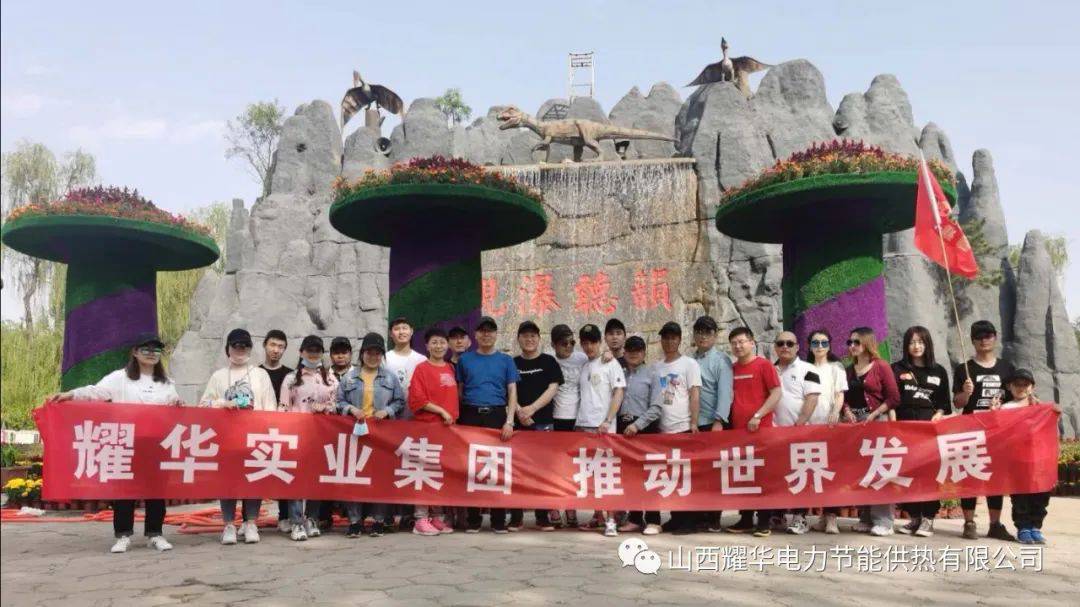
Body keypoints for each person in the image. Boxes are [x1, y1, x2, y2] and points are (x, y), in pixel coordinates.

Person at [48, 333, 182, 553]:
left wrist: (177, 404)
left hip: (157, 443)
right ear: (135, 352)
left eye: (156, 350)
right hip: (127, 442)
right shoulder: (120, 378)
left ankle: (155, 533)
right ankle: (123, 535)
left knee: (156, 491)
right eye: (146, 349)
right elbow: (95, 392)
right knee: (124, 491)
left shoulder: (166, 383)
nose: (151, 353)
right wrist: (71, 394)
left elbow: (173, 405)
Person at [199, 328, 276, 546]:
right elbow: (203, 405)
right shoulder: (218, 376)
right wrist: (222, 404)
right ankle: (229, 525)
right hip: (227, 438)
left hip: (255, 437)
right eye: (236, 346)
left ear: (250, 349)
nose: (240, 350)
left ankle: (251, 522)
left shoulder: (260, 375)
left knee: (254, 479)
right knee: (228, 481)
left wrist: (269, 433)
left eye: (245, 346)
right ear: (228, 349)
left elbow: (270, 406)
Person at [336, 332, 406, 538]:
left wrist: (387, 411)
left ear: (382, 355)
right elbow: (339, 401)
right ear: (362, 354)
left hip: (381, 435)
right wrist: (350, 409)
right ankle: (355, 521)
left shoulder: (390, 377)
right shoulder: (349, 377)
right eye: (369, 352)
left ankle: (378, 520)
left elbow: (400, 402)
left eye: (377, 353)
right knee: (354, 476)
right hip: (355, 434)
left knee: (380, 477)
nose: (373, 357)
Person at [952, 320, 1016, 541]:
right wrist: (966, 393)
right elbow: (957, 403)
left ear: (995, 338)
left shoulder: (1007, 368)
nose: (984, 340)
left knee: (995, 477)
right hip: (971, 431)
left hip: (998, 432)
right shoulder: (964, 369)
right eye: (979, 336)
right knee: (970, 476)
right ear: (972, 341)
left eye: (988, 335)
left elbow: (1015, 399)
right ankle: (969, 523)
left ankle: (995, 524)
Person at [455, 316, 520, 533]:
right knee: (472, 466)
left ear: (496, 334)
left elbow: (512, 391)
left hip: (496, 414)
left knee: (497, 466)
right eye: (482, 331)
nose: (486, 334)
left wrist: (509, 420)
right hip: (470, 414)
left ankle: (498, 519)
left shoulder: (506, 360)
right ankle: (474, 519)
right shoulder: (465, 360)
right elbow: (459, 391)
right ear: (475, 335)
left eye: (490, 330)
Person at [892, 326, 950, 538]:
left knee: (929, 474)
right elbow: (892, 399)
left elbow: (944, 403)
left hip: (930, 431)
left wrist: (939, 414)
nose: (916, 346)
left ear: (927, 344)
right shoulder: (896, 369)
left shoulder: (939, 371)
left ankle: (928, 518)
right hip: (905, 429)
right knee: (908, 473)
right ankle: (914, 517)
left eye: (920, 342)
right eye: (912, 342)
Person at [279, 335, 339, 541]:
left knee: (316, 479)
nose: (313, 354)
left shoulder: (330, 378)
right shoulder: (291, 378)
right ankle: (296, 522)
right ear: (301, 352)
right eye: (309, 350)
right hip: (297, 436)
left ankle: (311, 518)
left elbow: (337, 404)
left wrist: (326, 408)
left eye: (317, 351)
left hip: (321, 436)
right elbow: (283, 407)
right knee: (296, 480)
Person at [723, 326, 781, 537]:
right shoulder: (731, 369)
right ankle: (746, 519)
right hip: (738, 432)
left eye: (741, 341)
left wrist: (758, 415)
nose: (738, 346)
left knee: (762, 476)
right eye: (734, 343)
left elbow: (776, 393)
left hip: (761, 431)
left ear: (751, 342)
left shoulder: (764, 365)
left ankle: (764, 521)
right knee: (744, 475)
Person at [843, 327, 900, 536]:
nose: (852, 346)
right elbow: (842, 396)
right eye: (849, 342)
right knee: (862, 472)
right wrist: (846, 410)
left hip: (877, 422)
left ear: (867, 343)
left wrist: (875, 413)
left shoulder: (881, 366)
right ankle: (866, 518)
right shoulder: (849, 370)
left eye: (856, 342)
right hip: (856, 425)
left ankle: (884, 521)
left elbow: (894, 397)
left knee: (880, 470)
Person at [995, 369, 1062, 545]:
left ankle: (1036, 527)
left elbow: (1052, 429)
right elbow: (998, 430)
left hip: (1040, 460)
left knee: (1041, 494)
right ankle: (1023, 527)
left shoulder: (1041, 408)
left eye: (1025, 384)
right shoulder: (1006, 408)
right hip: (1017, 460)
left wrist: (1054, 411)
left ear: (1032, 387)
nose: (1021, 388)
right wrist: (994, 413)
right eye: (1017, 384)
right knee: (1020, 496)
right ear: (1010, 387)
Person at [508, 320, 564, 531]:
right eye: (525, 336)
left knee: (542, 471)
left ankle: (542, 516)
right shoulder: (512, 363)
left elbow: (553, 388)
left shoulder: (549, 361)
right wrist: (519, 411)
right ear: (518, 339)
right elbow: (509, 390)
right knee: (517, 471)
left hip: (543, 424)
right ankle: (516, 517)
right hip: (518, 425)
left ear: (539, 339)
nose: (529, 339)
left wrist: (531, 409)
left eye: (533, 336)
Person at [407, 327, 460, 536]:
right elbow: (417, 399)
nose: (439, 346)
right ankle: (420, 518)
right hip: (427, 428)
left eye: (442, 342)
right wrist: (441, 411)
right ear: (427, 346)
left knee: (440, 473)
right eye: (434, 342)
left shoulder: (450, 368)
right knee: (424, 471)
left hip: (448, 431)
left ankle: (437, 516)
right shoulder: (421, 369)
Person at [652, 321, 703, 536]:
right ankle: (675, 518)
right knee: (670, 476)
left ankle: (688, 522)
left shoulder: (689, 364)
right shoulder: (657, 367)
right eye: (665, 337)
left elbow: (695, 394)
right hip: (663, 428)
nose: (669, 341)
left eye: (673, 338)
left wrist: (693, 422)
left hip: (683, 425)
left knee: (685, 476)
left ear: (680, 340)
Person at [575, 323, 626, 537]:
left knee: (606, 474)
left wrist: (608, 420)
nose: (589, 347)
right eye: (585, 343)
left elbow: (619, 392)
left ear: (600, 342)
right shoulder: (585, 366)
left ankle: (611, 519)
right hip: (583, 425)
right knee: (591, 475)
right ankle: (598, 516)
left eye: (593, 342)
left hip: (603, 427)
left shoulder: (611, 363)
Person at [771, 331, 822, 536]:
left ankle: (800, 517)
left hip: (800, 432)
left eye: (789, 343)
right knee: (777, 475)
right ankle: (778, 514)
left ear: (798, 347)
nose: (785, 347)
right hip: (773, 433)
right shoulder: (770, 369)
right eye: (781, 343)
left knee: (800, 475)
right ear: (775, 347)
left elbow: (812, 398)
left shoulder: (809, 369)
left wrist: (799, 423)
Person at [804, 329, 848, 534]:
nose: (819, 347)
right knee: (810, 471)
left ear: (830, 345)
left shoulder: (835, 368)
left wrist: (835, 412)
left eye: (824, 342)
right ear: (809, 346)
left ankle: (831, 517)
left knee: (830, 472)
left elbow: (839, 394)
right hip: (807, 427)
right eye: (815, 343)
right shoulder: (804, 368)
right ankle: (817, 516)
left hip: (829, 426)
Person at [617, 336, 662, 535]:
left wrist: (637, 425)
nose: (633, 353)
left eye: (638, 350)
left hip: (645, 428)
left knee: (649, 475)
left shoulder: (653, 374)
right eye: (630, 350)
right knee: (630, 476)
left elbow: (657, 407)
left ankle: (653, 520)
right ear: (624, 352)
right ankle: (635, 518)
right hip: (623, 427)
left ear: (644, 353)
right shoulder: (619, 373)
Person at [693, 315, 733, 532]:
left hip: (712, 423)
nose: (703, 336)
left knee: (715, 472)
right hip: (694, 424)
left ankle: (714, 518)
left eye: (707, 332)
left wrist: (719, 420)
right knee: (698, 472)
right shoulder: (691, 359)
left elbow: (726, 393)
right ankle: (700, 515)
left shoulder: (721, 360)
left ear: (715, 335)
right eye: (699, 332)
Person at [550, 323, 587, 528]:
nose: (569, 347)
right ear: (554, 344)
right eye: (564, 343)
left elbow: (598, 361)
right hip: (556, 418)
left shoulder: (582, 358)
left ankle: (571, 507)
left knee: (575, 466)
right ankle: (555, 506)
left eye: (572, 342)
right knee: (556, 465)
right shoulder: (549, 359)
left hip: (578, 419)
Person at [259, 329, 295, 534]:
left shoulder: (291, 376)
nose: (276, 350)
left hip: (285, 432)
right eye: (272, 345)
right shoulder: (256, 373)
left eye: (281, 347)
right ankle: (248, 519)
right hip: (258, 431)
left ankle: (285, 516)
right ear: (265, 345)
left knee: (285, 474)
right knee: (254, 474)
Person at [385, 317, 427, 392]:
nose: (401, 332)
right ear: (390, 333)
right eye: (397, 329)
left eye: (404, 328)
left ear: (411, 331)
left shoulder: (422, 360)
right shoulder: (385, 358)